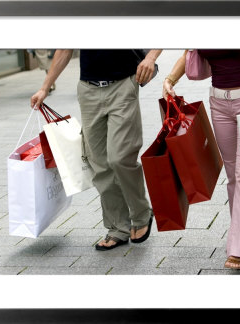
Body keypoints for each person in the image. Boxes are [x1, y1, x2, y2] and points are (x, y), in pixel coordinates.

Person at [163, 49, 240, 269]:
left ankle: (236, 248)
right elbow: (188, 52)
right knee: (233, 175)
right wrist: (169, 79)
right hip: (219, 104)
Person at [31, 49, 162, 250]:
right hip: (88, 90)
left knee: (120, 157)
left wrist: (151, 58)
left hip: (123, 85)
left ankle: (141, 213)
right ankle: (118, 227)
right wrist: (44, 88)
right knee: (99, 163)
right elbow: (65, 48)